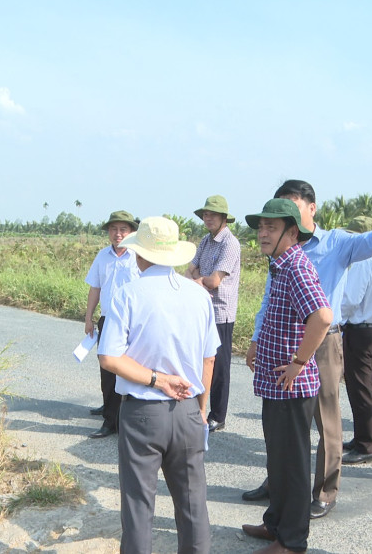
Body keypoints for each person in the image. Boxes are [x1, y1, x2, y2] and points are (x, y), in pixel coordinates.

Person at [242, 179, 372, 520]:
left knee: (326, 417)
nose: (282, 217)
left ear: (311, 208)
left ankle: (325, 491)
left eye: (292, 207)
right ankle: (277, 484)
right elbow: (268, 297)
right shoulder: (278, 253)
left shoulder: (337, 243)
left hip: (323, 341)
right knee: (282, 421)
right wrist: (255, 337)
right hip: (283, 338)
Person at [97, 216, 219, 554]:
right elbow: (210, 360)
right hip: (189, 410)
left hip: (142, 413)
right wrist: (201, 410)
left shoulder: (128, 294)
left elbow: (109, 357)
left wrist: (157, 379)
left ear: (140, 254)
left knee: (138, 508)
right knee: (194, 507)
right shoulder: (199, 297)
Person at [240, 198, 331, 554]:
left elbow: (322, 317)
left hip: (292, 387)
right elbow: (278, 316)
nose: (263, 233)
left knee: (292, 466)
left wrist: (298, 361)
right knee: (277, 459)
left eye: (271, 228)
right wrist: (257, 343)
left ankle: (292, 542)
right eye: (261, 227)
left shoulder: (296, 267)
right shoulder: (279, 265)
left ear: (292, 233)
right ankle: (275, 524)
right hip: (277, 385)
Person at [339, 216, 372, 465]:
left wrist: (335, 318)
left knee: (360, 389)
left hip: (359, 330)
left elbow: (350, 299)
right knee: (364, 387)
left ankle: (365, 445)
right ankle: (361, 437)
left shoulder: (362, 262)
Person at [184, 195, 241, 432]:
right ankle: (199, 406)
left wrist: (198, 278)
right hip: (201, 309)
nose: (208, 218)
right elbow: (189, 270)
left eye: (213, 215)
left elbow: (215, 281)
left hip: (220, 312)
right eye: (206, 215)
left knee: (219, 365)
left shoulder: (230, 243)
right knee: (201, 361)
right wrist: (199, 278)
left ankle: (218, 414)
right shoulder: (205, 242)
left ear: (223, 218)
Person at [84, 210, 141, 438]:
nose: (118, 234)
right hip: (108, 320)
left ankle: (128, 419)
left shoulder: (139, 256)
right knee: (107, 370)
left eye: (123, 229)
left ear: (131, 232)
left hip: (133, 322)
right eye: (114, 229)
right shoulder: (102, 256)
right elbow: (95, 287)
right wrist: (89, 318)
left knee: (132, 369)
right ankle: (110, 419)